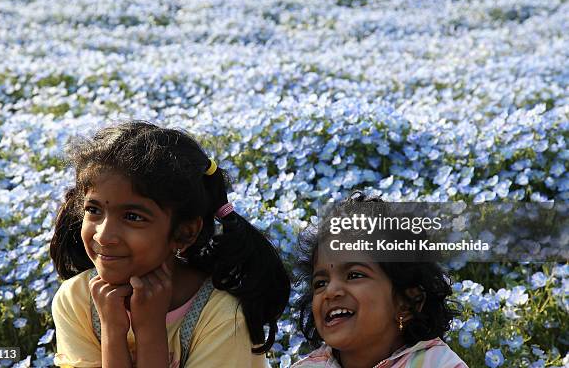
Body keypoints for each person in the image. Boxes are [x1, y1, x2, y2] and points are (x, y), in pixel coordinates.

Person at [49, 120, 290, 368]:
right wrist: (112, 330)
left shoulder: (223, 316)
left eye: (133, 217)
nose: (103, 236)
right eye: (93, 210)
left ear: (184, 233)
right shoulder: (77, 300)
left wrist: (150, 330)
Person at [291, 192, 468, 368]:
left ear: (406, 303)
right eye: (320, 283)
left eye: (354, 275)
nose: (330, 291)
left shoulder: (437, 364)